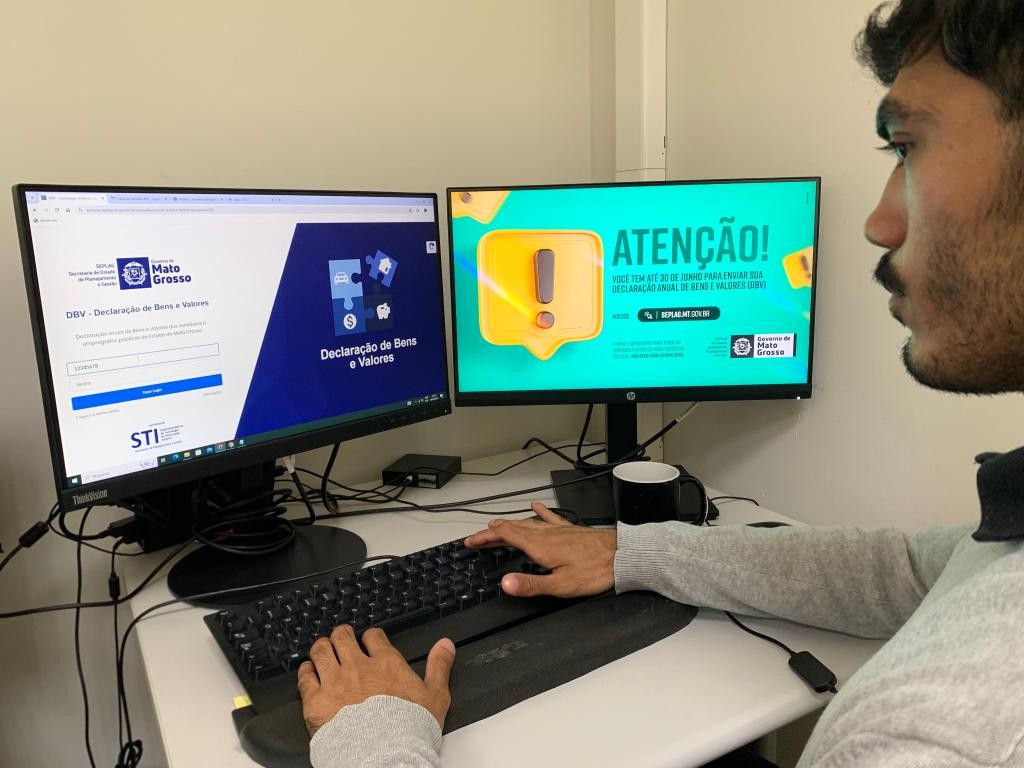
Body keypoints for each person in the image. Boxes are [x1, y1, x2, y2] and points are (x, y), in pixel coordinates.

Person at [297, 1, 1024, 765]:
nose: (878, 222)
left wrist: (373, 738)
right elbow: (904, 572)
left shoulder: (948, 739)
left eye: (906, 146)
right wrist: (630, 553)